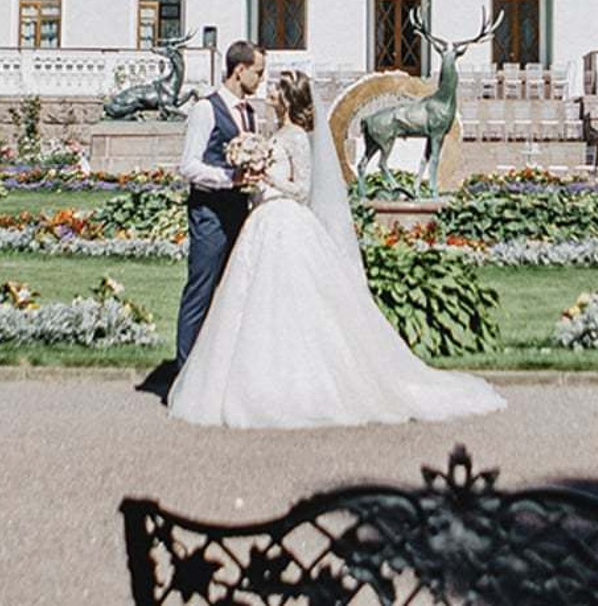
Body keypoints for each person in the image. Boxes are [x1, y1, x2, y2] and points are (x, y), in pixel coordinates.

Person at [167, 69, 505, 430]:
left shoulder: (296, 137)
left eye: (277, 88)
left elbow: (302, 189)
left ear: (289, 99)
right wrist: (250, 178)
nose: (269, 90)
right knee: (254, 305)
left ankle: (299, 385)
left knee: (291, 307)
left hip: (286, 223)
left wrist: (267, 175)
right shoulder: (275, 133)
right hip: (263, 221)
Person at [171, 40, 264, 370]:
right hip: (209, 212)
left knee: (231, 291)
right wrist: (230, 178)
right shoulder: (206, 109)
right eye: (258, 72)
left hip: (238, 211)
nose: (261, 79)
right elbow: (189, 166)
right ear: (240, 71)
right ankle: (184, 372)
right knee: (202, 287)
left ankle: (216, 369)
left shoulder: (249, 113)